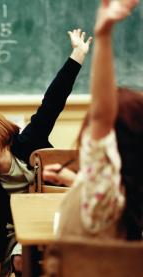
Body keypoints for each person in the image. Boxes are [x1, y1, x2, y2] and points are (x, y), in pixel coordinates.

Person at [0, 29, 92, 277]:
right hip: (16, 233)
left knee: (21, 261)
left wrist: (78, 53)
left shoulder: (30, 141)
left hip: (54, 221)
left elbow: (53, 100)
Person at [43, 0, 142, 241]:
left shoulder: (103, 203)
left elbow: (102, 118)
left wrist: (104, 34)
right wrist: (75, 180)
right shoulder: (124, 196)